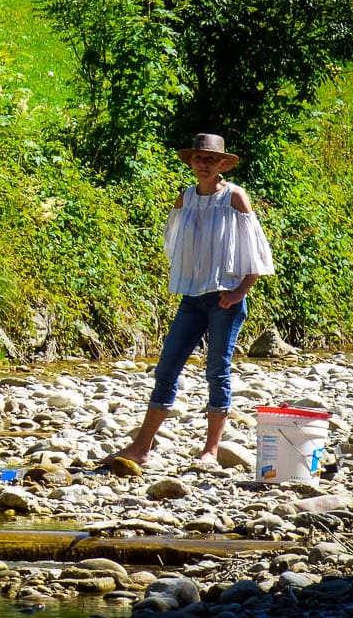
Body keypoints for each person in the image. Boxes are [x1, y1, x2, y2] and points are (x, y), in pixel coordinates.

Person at [111, 134, 275, 468]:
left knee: (217, 370)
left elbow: (256, 247)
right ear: (191, 162)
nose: (203, 163)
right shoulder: (185, 198)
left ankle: (210, 450)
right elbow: (173, 240)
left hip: (223, 299)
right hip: (191, 297)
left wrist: (241, 290)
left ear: (222, 164)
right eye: (198, 158)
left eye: (210, 159)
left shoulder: (234, 197)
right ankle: (142, 446)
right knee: (167, 367)